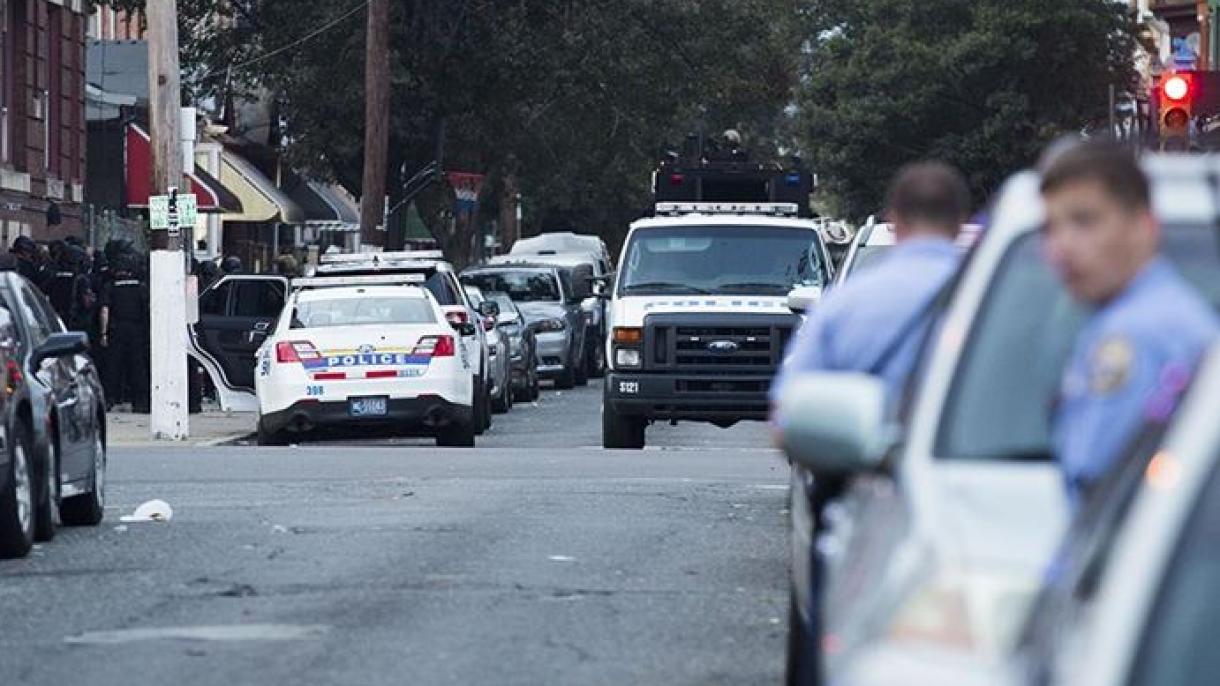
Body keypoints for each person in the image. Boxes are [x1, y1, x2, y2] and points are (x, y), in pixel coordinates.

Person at [1041, 140, 1219, 501]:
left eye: (1085, 221)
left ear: (1143, 225)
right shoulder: (1160, 316)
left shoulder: (1136, 335)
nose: (1062, 246)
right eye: (1050, 228)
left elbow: (1098, 486)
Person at [771, 161, 971, 416]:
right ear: (961, 220)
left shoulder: (843, 302)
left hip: (865, 453)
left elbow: (789, 413)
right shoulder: (997, 295)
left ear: (893, 220)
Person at [99, 254, 150, 413]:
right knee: (137, 366)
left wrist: (103, 333)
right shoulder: (141, 287)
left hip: (116, 329)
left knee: (113, 365)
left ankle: (109, 399)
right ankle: (140, 402)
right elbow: (147, 310)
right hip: (136, 330)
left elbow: (104, 311)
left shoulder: (110, 287)